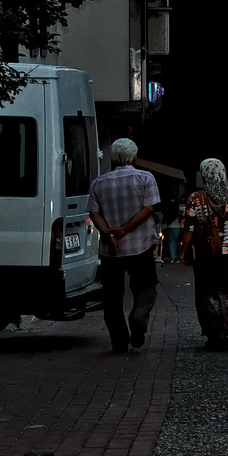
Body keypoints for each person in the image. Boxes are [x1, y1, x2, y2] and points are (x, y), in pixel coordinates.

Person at [87, 138, 162, 354]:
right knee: (145, 287)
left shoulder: (99, 182)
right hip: (141, 245)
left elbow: (94, 213)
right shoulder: (145, 177)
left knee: (112, 296)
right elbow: (148, 209)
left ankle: (119, 341)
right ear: (134, 156)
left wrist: (110, 234)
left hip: (112, 250)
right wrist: (125, 229)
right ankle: (138, 317)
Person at [180, 158, 228, 351]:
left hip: (207, 255)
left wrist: (183, 251)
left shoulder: (195, 199)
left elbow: (188, 228)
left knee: (208, 294)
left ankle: (217, 333)